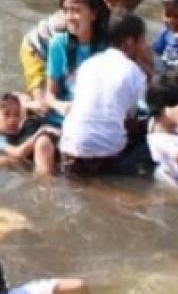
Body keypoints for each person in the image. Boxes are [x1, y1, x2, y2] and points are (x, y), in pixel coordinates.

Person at [58, 10, 153, 176]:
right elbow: (144, 112)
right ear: (130, 42)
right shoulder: (135, 72)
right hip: (106, 155)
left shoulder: (88, 65)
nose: (144, 46)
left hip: (69, 149)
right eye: (142, 41)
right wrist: (150, 70)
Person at [41, 0, 109, 127]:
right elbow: (49, 96)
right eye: (66, 11)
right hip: (65, 116)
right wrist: (61, 106)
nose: (69, 17)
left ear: (94, 13)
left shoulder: (108, 47)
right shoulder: (59, 43)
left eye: (76, 11)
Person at [0, 92, 58, 176]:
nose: (13, 119)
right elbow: (18, 153)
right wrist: (41, 132)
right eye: (6, 114)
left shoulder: (11, 135)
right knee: (5, 160)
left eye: (17, 115)